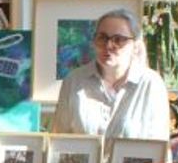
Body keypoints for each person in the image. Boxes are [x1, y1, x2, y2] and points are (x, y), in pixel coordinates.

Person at [49, 8, 169, 141]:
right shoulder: (74, 81)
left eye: (118, 39)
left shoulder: (151, 84)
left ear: (135, 47)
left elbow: (160, 145)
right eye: (102, 38)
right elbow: (58, 140)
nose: (108, 45)